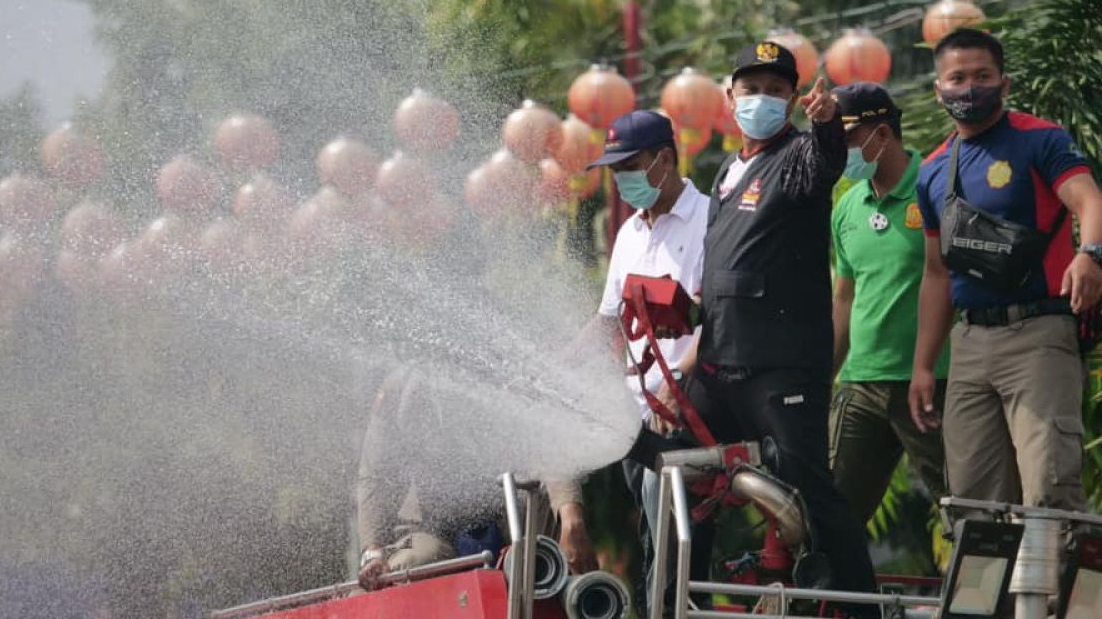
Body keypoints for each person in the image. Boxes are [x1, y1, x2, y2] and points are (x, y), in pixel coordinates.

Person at [684, 41, 878, 613]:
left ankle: (863, 608)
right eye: (752, 89)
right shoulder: (726, 168)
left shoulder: (798, 155)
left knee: (810, 490)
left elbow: (826, 164)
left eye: (776, 90)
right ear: (729, 96)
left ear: (794, 99)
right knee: (670, 473)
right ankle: (675, 601)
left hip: (781, 367)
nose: (762, 99)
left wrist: (826, 126)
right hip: (719, 363)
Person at [909, 28, 1102, 510]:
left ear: (1004, 82)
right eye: (957, 78)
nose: (969, 87)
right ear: (938, 90)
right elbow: (936, 274)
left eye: (982, 76)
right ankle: (991, 591)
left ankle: (1055, 588)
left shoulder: (1040, 139)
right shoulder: (932, 170)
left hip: (1039, 334)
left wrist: (1091, 254)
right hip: (970, 344)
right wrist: (923, 366)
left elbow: (1090, 200)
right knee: (975, 504)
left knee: (1048, 489)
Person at [583, 109, 710, 617]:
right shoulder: (631, 232)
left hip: (693, 410)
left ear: (664, 159)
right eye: (614, 172)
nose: (621, 181)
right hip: (639, 415)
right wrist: (555, 368)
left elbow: (721, 320)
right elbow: (609, 321)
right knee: (655, 540)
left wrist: (678, 384)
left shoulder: (711, 220)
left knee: (674, 537)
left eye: (629, 167)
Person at [829, 82, 949, 526]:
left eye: (845, 140)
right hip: (861, 384)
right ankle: (831, 598)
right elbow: (845, 296)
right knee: (832, 512)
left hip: (933, 382)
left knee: (963, 508)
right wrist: (826, 374)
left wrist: (929, 367)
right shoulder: (846, 206)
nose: (837, 152)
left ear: (881, 134)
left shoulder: (937, 183)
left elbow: (951, 279)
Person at [355, 367, 593, 590]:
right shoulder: (400, 389)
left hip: (510, 510)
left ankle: (575, 598)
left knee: (553, 538)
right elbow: (376, 477)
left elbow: (549, 445)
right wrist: (373, 554)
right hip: (433, 525)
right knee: (415, 561)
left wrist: (572, 520)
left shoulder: (514, 369)